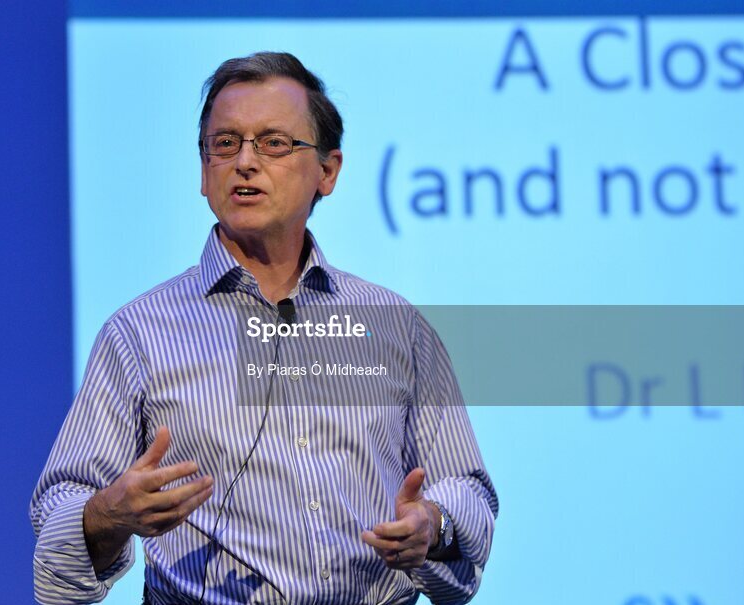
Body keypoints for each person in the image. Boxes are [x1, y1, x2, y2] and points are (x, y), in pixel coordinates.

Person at [30, 51, 498, 605]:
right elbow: (59, 511)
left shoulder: (395, 325)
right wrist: (108, 513)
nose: (245, 162)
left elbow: (466, 488)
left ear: (327, 171)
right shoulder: (139, 333)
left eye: (274, 143)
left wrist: (434, 524)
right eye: (225, 144)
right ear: (203, 171)